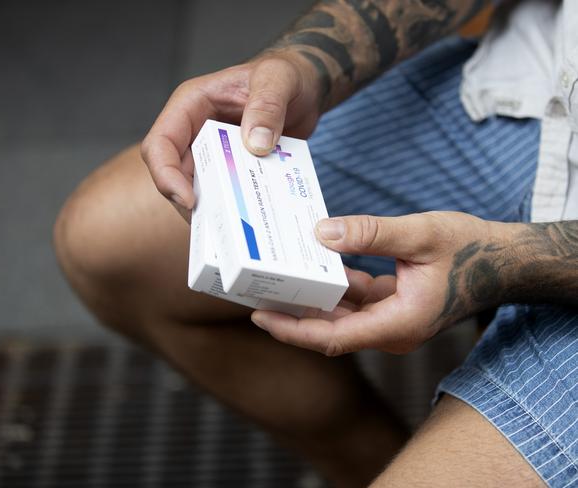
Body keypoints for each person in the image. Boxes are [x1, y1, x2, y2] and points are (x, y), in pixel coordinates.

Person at [54, 0, 577, 486]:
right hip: (536, 92)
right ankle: (366, 465)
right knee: (107, 243)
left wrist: (501, 265)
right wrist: (304, 63)